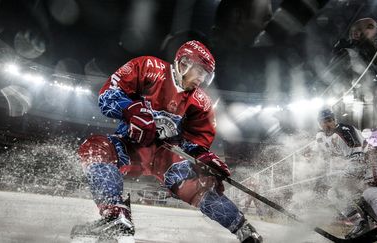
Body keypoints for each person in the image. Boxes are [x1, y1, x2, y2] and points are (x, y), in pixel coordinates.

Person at [72, 40, 262, 243]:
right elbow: (108, 94)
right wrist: (130, 109)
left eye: (206, 75)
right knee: (95, 148)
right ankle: (115, 216)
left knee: (195, 187)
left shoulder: (201, 102)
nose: (201, 79)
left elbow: (196, 140)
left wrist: (203, 157)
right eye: (199, 71)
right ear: (184, 62)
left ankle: (245, 232)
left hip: (167, 156)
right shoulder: (148, 67)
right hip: (131, 144)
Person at [315, 108, 377, 239]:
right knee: (335, 193)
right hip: (355, 163)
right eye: (324, 122)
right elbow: (327, 158)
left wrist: (343, 179)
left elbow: (358, 160)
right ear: (319, 123)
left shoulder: (344, 131)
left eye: (330, 120)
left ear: (335, 120)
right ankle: (360, 223)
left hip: (371, 159)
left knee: (369, 190)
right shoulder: (320, 137)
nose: (327, 124)